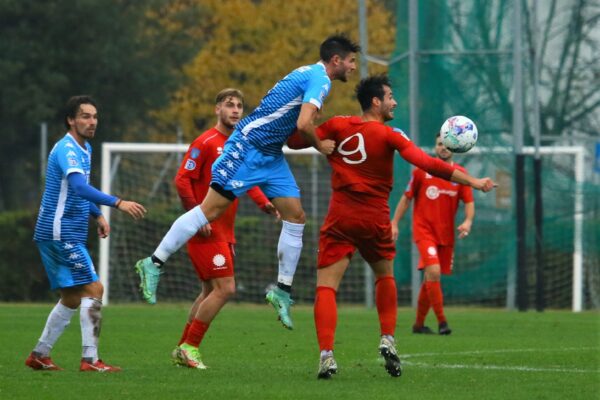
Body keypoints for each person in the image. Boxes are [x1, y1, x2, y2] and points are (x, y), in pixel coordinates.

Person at [134, 33, 360, 330]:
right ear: (336, 60)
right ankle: (154, 261)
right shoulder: (320, 79)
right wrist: (321, 145)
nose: (354, 67)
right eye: (351, 61)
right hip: (248, 147)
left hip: (270, 154)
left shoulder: (309, 73)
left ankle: (282, 289)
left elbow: (293, 128)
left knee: (296, 216)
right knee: (210, 210)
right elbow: (304, 124)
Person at [286, 74, 496, 379]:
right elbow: (429, 164)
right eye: (390, 96)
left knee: (326, 287)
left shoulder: (337, 125)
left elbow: (294, 139)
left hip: (341, 218)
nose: (394, 101)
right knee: (384, 276)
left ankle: (327, 355)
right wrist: (474, 181)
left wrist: (312, 123)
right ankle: (387, 337)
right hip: (374, 218)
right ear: (376, 101)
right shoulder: (390, 134)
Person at [26, 95, 146, 372]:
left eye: (94, 116)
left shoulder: (85, 148)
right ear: (71, 119)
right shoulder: (67, 149)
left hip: (63, 231)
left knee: (71, 297)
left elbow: (79, 189)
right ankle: (90, 360)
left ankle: (40, 355)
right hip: (60, 232)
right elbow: (79, 187)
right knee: (94, 288)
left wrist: (97, 214)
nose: (92, 122)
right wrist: (117, 203)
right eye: (85, 116)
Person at [170, 88, 278, 369]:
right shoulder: (204, 142)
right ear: (217, 109)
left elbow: (247, 181)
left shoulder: (239, 145)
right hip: (207, 229)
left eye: (239, 106)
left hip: (224, 230)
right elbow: (182, 180)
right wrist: (198, 217)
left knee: (208, 292)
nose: (235, 110)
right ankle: (190, 346)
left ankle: (183, 347)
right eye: (229, 105)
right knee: (226, 288)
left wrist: (265, 203)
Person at [391, 133, 475, 336]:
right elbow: (406, 198)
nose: (443, 148)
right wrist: (394, 223)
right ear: (435, 147)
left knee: (431, 277)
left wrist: (467, 221)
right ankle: (442, 322)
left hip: (446, 236)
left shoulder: (460, 174)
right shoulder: (422, 172)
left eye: (447, 145)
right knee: (434, 272)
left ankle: (418, 325)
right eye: (440, 144)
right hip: (424, 231)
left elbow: (469, 202)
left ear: (454, 148)